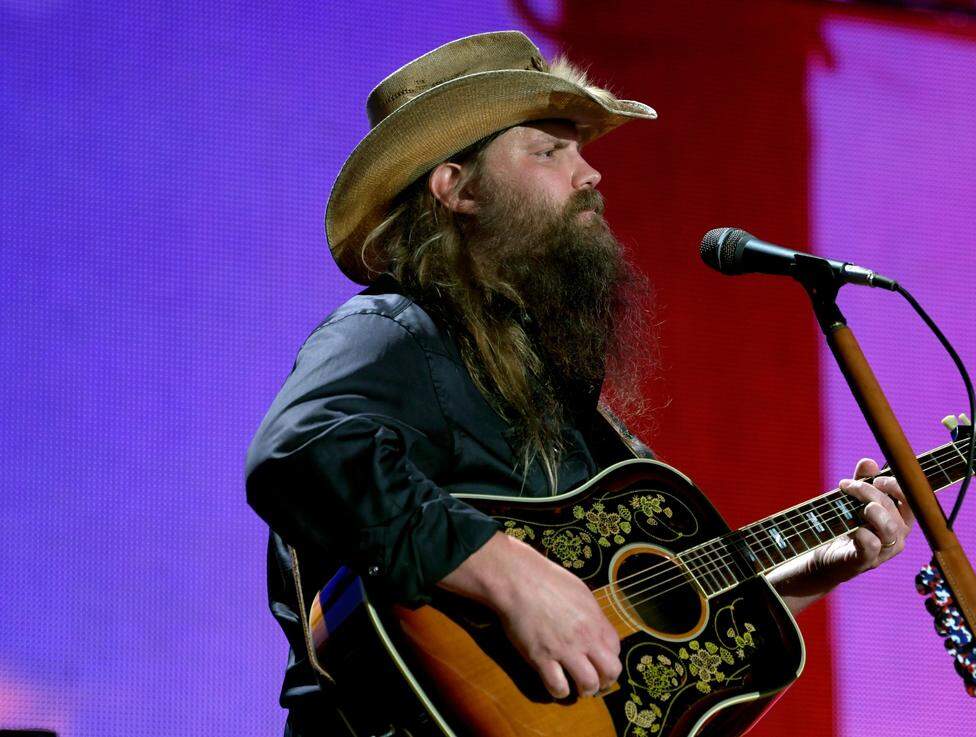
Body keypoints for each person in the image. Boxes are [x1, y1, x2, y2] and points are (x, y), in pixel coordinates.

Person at [245, 30, 914, 737]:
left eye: (582, 151)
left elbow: (656, 642)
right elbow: (303, 448)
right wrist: (510, 576)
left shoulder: (566, 402)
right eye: (549, 151)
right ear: (457, 187)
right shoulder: (396, 329)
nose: (590, 174)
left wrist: (817, 566)